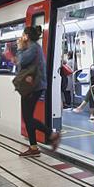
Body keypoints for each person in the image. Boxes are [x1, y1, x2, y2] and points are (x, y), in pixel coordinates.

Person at [16, 26, 60, 157]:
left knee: (28, 118)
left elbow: (21, 61)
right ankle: (34, 147)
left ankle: (51, 134)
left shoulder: (33, 47)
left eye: (23, 35)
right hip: (33, 86)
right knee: (27, 117)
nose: (22, 37)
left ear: (26, 37)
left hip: (33, 87)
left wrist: (19, 47)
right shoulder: (34, 47)